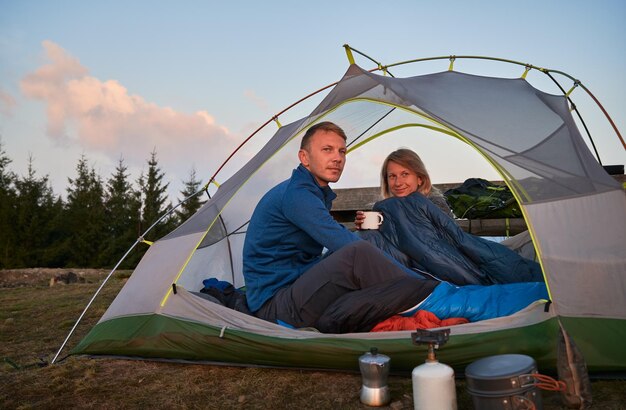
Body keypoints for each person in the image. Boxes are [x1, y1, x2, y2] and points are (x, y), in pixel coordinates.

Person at [242, 122, 439, 334]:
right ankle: (434, 295)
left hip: (296, 286)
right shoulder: (297, 195)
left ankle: (421, 290)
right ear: (304, 158)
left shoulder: (313, 191)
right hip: (277, 305)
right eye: (327, 150)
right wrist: (416, 282)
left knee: (367, 242)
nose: (338, 158)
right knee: (358, 252)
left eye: (342, 151)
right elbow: (344, 244)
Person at [354, 148, 543, 285]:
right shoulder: (381, 210)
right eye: (392, 176)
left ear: (419, 178)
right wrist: (366, 227)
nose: (398, 182)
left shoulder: (434, 204)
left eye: (405, 174)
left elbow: (443, 245)